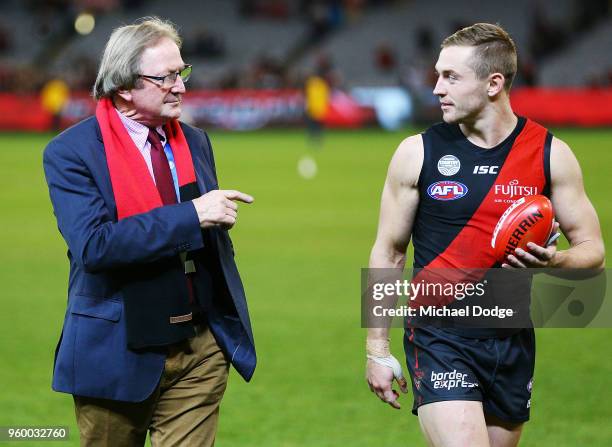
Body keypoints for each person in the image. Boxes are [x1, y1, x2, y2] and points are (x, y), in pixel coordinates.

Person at [365, 23, 604, 447]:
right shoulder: (417, 153)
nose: (437, 88)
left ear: (494, 83)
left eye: (451, 77)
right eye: (438, 75)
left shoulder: (550, 154)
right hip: (439, 336)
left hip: (510, 339)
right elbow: (389, 252)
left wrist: (557, 261)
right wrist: (377, 350)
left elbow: (593, 252)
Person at [43, 17, 256, 446]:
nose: (181, 86)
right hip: (117, 349)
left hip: (200, 348)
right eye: (167, 77)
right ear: (124, 86)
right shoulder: (71, 153)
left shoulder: (195, 140)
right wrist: (192, 215)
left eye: (183, 73)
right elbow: (95, 246)